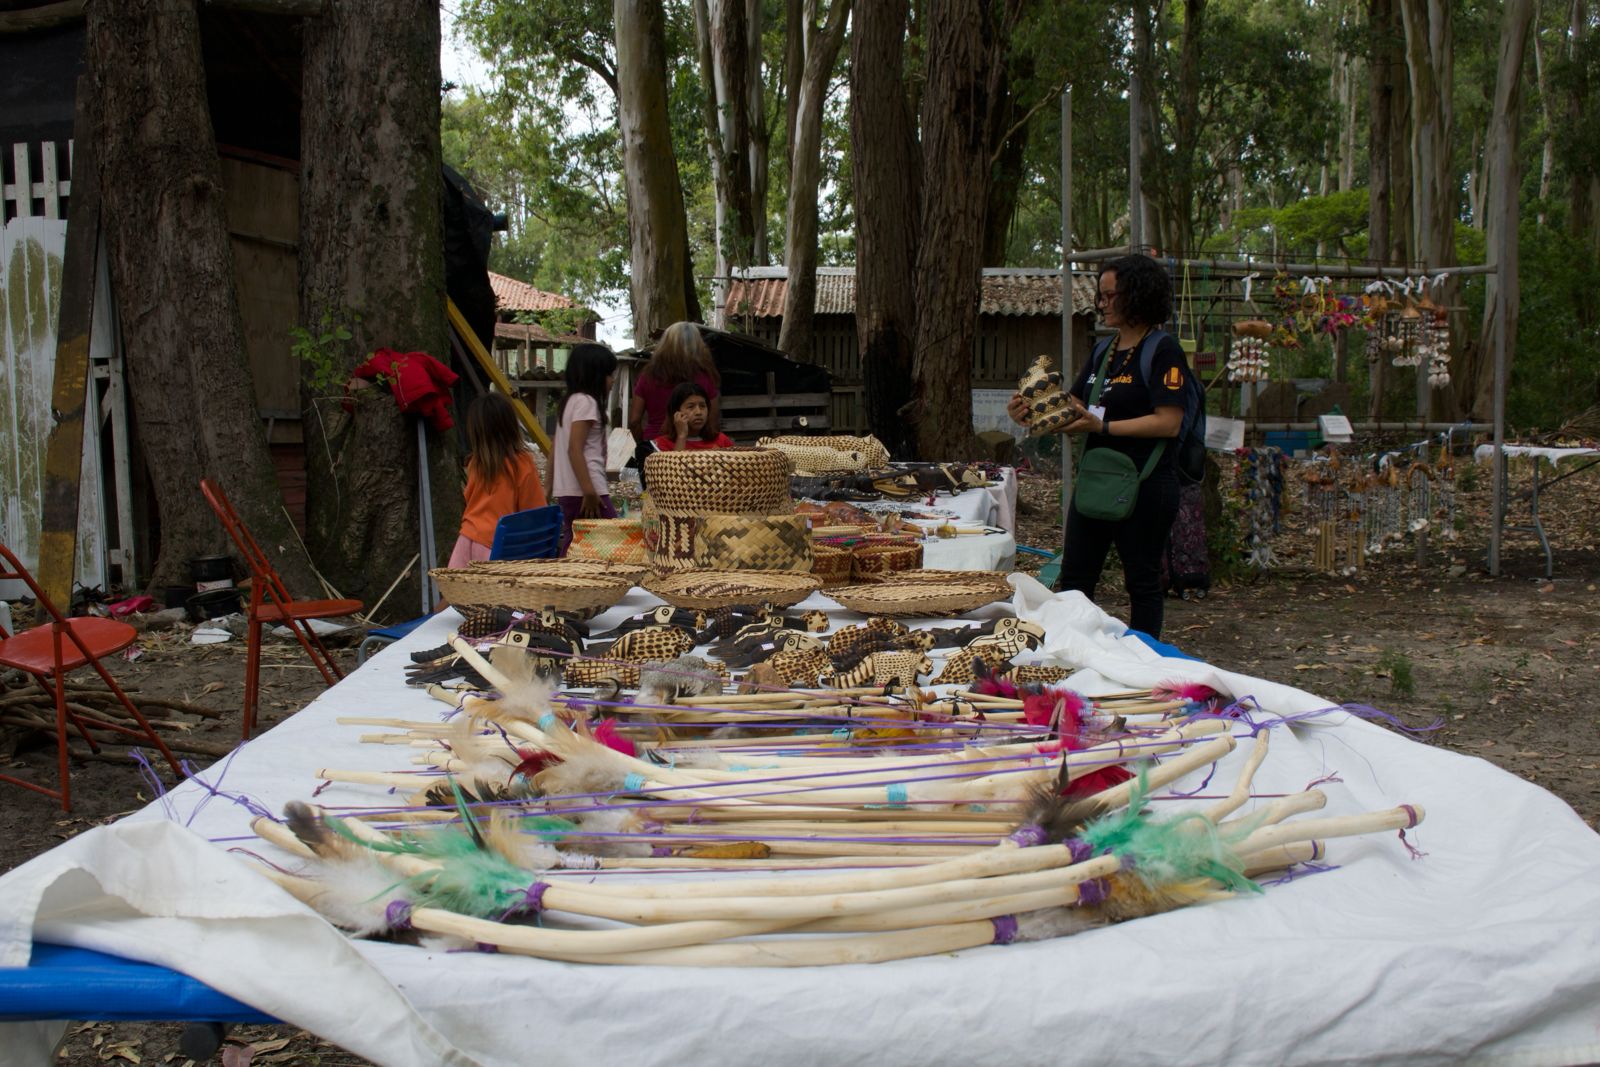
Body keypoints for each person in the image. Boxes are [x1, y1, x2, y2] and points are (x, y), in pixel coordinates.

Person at [1008, 253, 1187, 639]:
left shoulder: (1163, 350)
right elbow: (1074, 407)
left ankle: (1143, 658)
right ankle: (1073, 651)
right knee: (1075, 577)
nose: (1102, 304)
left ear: (1137, 295)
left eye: (1110, 295)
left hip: (1146, 483)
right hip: (1097, 480)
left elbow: (1169, 422)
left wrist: (1103, 426)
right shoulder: (1104, 351)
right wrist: (1032, 411)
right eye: (1100, 296)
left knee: (1141, 581)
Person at [448, 392, 547, 569]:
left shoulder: (475, 464)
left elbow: (469, 500)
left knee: (455, 585)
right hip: (501, 546)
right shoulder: (522, 464)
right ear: (511, 426)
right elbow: (536, 513)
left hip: (468, 539)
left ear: (476, 433)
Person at [630, 321, 721, 478]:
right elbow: (712, 418)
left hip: (656, 448)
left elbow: (634, 421)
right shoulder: (705, 376)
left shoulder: (648, 375)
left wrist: (642, 443)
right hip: (696, 450)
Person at [553, 342, 620, 551]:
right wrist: (589, 491)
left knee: (575, 543)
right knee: (616, 541)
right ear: (596, 376)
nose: (612, 380)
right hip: (587, 490)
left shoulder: (569, 402)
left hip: (569, 490)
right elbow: (574, 448)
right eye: (609, 375)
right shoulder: (587, 403)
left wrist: (548, 487)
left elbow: (555, 448)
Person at [652, 382, 735, 452]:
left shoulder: (721, 440)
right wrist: (681, 436)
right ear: (676, 412)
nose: (698, 412)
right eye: (690, 407)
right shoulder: (662, 443)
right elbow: (676, 466)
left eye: (702, 406)